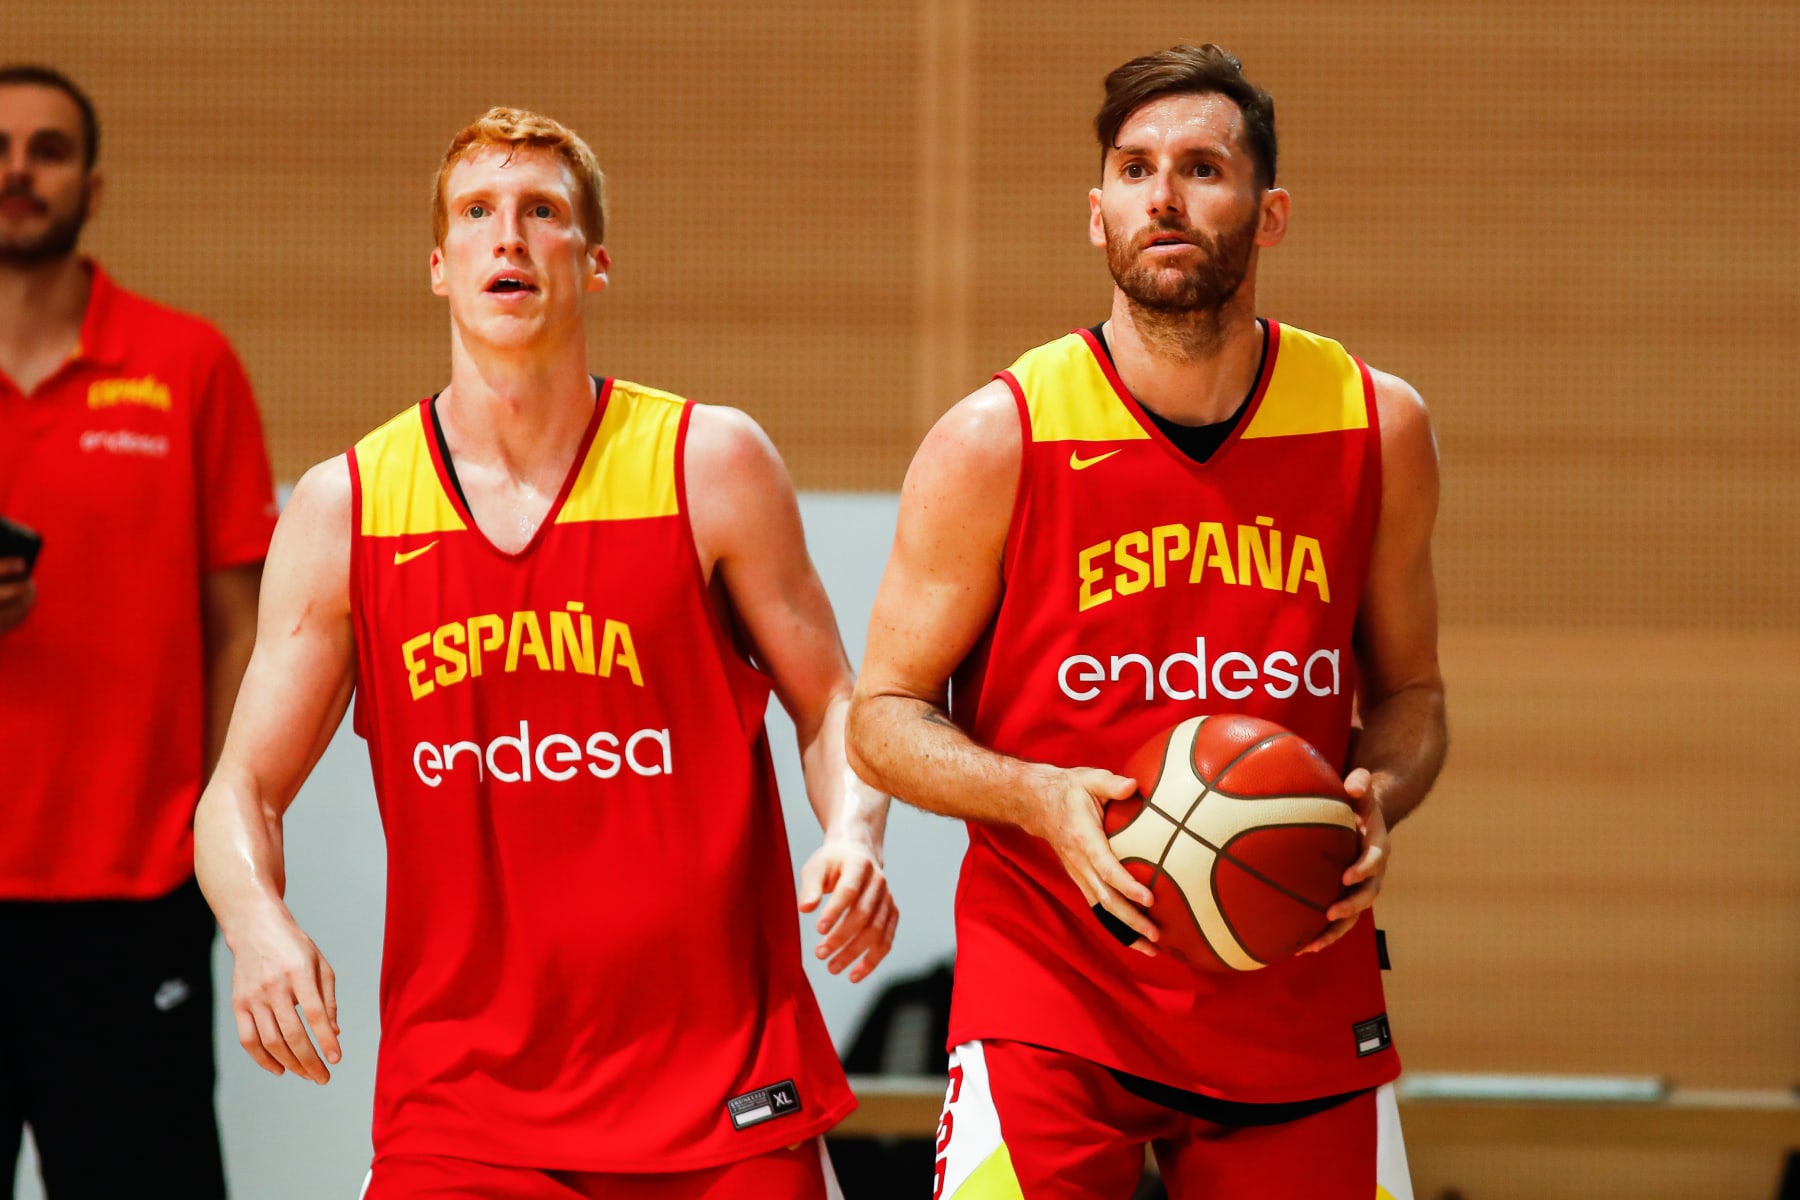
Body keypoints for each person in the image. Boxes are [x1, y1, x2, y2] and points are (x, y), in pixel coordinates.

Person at [193, 107, 895, 1199]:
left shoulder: (707, 463)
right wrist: (257, 923)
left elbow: (832, 701)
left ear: (595, 261)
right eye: (477, 214)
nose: (507, 237)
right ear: (439, 268)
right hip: (464, 1108)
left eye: (542, 213)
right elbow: (242, 790)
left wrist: (855, 830)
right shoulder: (349, 508)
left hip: (722, 1094)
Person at [847, 44, 1446, 1200]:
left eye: (1200, 168)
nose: (1163, 197)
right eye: (1134, 170)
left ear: (1268, 215)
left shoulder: (1375, 425)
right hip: (1054, 992)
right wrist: (1036, 796)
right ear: (1096, 212)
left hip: (1295, 988)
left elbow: (1413, 698)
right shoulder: (997, 437)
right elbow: (882, 715)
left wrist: (1380, 799)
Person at [0, 65, 276, 1198]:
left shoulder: (186, 366)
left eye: (48, 149)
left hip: (132, 901)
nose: (16, 169)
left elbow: (241, 634)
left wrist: (224, 844)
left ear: (93, 186)